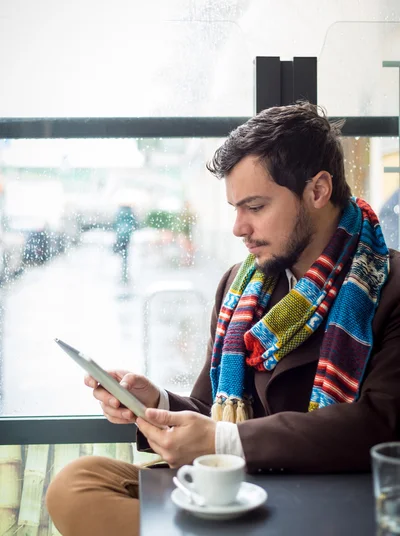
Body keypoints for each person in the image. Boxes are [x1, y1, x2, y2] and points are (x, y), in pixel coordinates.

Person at [46, 102, 400, 536]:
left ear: (318, 190)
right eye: (234, 208)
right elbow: (210, 409)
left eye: (254, 206)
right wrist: (154, 403)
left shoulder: (389, 285)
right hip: (233, 483)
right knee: (77, 483)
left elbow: (379, 425)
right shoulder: (241, 286)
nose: (238, 227)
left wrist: (224, 442)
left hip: (328, 487)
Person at [112, 205, 139, 282]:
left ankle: (123, 271)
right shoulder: (130, 213)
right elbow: (135, 223)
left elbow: (115, 224)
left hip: (120, 235)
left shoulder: (119, 213)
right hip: (127, 235)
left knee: (122, 253)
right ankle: (124, 272)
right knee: (125, 254)